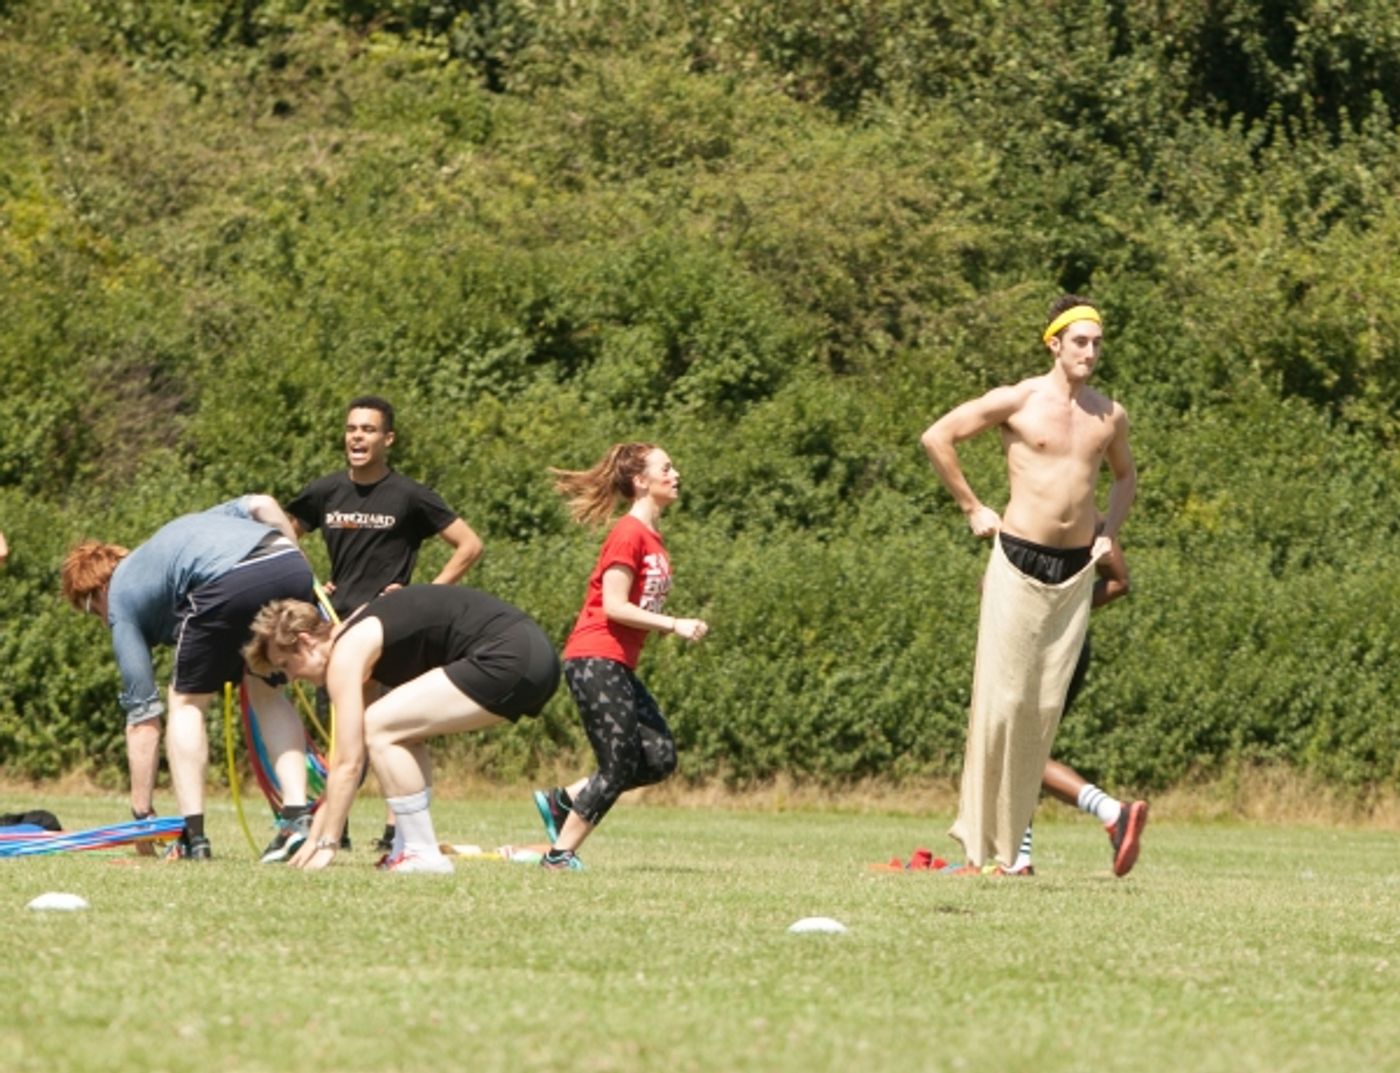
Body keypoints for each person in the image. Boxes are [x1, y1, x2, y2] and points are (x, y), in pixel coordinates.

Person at [921, 294, 1137, 873]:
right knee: (1003, 704)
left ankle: (1016, 851)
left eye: (1097, 342)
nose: (1091, 352)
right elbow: (936, 437)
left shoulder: (1108, 414)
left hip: (1073, 572)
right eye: (1080, 342)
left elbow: (1124, 476)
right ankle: (984, 840)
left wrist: (1107, 534)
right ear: (1055, 344)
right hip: (1018, 556)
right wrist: (972, 507)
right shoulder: (1019, 399)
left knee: (1043, 712)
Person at [60, 496, 315, 861]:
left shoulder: (120, 602)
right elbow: (262, 503)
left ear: (97, 591)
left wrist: (142, 816)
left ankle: (193, 837)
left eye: (89, 610)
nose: (99, 619)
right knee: (266, 689)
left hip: (226, 581)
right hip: (288, 564)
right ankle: (296, 819)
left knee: (186, 703)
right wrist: (295, 552)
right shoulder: (184, 534)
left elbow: (143, 720)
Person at [242, 585, 560, 874]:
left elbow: (347, 763)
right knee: (396, 731)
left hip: (510, 656)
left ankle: (422, 854)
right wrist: (317, 833)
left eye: (285, 664)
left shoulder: (345, 656)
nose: (291, 678)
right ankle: (407, 849)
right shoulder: (355, 641)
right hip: (534, 657)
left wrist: (326, 843)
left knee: (380, 723)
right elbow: (351, 758)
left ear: (305, 641)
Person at [286, 395, 485, 853]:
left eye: (369, 430)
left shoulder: (410, 496)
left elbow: (469, 546)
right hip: (337, 630)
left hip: (393, 629)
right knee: (344, 735)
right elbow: (280, 536)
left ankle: (400, 830)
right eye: (352, 428)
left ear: (387, 439)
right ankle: (337, 826)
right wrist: (308, 585)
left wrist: (425, 596)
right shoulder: (325, 492)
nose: (358, 436)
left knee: (396, 728)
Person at [530, 443, 709, 871]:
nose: (676, 473)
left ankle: (565, 800)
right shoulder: (628, 533)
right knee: (619, 763)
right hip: (594, 658)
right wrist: (673, 623)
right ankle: (559, 856)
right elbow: (613, 605)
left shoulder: (652, 536)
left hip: (615, 664)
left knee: (659, 756)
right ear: (640, 481)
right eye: (666, 468)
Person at [1014, 534, 1148, 877]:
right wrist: (1068, 606)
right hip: (1074, 644)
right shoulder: (1094, 521)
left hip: (1038, 646)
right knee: (1024, 749)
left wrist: (1047, 607)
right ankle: (1018, 859)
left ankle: (1112, 811)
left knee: (1022, 750)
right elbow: (1119, 582)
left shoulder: (1028, 517)